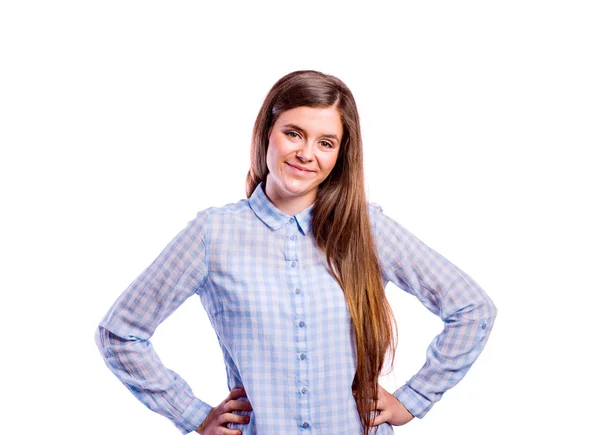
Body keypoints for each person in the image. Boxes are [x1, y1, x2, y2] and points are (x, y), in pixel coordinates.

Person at [95, 70, 497, 435]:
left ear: (340, 156)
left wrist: (413, 400)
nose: (307, 153)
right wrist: (192, 414)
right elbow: (120, 333)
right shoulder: (213, 234)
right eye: (294, 133)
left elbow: (472, 309)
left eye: (326, 142)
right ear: (267, 133)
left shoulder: (367, 229)